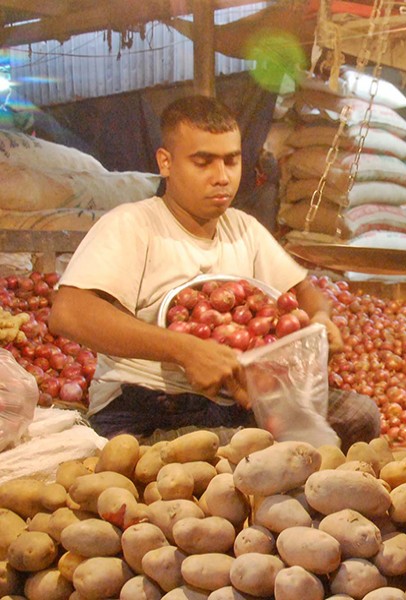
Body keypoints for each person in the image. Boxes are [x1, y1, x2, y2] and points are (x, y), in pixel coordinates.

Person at [48, 95, 380, 450]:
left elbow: (302, 291)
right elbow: (69, 312)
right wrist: (184, 351)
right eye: (203, 162)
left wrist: (319, 319)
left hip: (235, 402)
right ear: (166, 162)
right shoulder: (133, 224)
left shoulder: (243, 228)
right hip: (146, 404)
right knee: (237, 450)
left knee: (360, 415)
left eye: (231, 161)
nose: (221, 178)